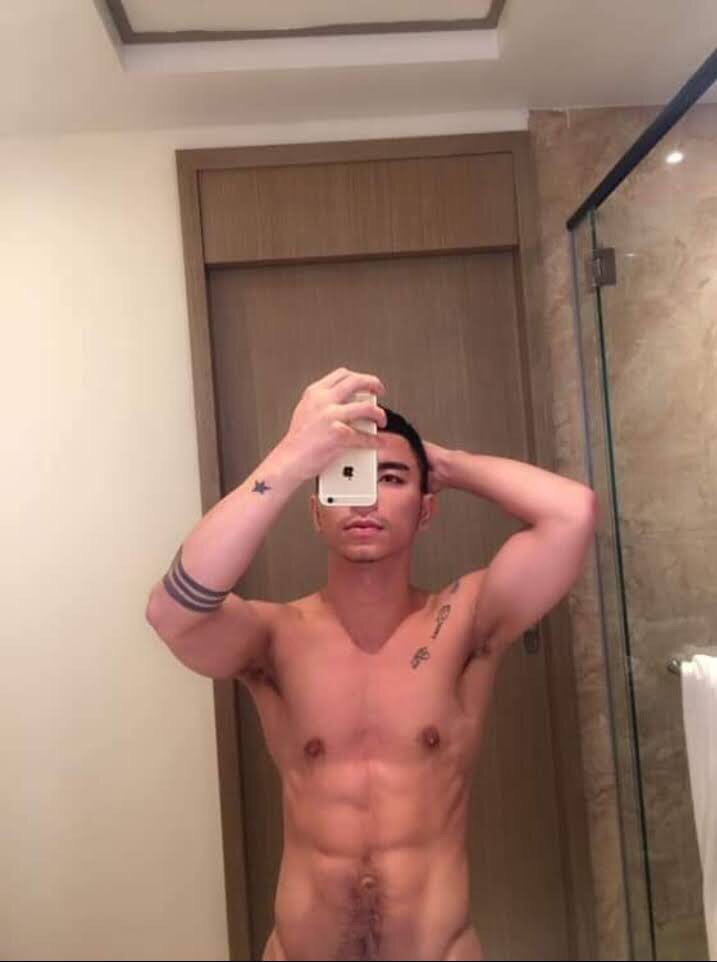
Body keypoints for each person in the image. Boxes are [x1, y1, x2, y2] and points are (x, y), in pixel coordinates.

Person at [145, 366, 597, 961]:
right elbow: (172, 613)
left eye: (392, 479)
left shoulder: (465, 621)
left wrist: (444, 463)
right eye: (347, 477)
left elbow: (573, 512)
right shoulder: (274, 639)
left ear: (427, 510)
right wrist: (290, 460)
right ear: (316, 511)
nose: (368, 499)